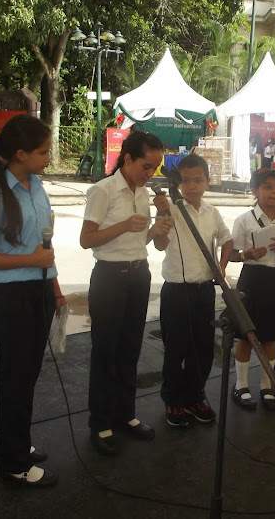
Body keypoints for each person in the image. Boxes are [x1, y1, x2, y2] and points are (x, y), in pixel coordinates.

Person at [0, 114, 65, 487]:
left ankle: (10, 446)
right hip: (12, 297)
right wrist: (32, 262)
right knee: (16, 380)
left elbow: (45, 243)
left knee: (26, 377)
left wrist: (54, 290)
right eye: (42, 152)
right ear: (20, 153)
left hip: (39, 290)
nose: (47, 158)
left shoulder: (37, 185)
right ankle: (15, 462)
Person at [80, 131, 174, 456]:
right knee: (105, 351)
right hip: (109, 277)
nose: (150, 173)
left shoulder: (145, 193)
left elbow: (141, 241)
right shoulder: (102, 190)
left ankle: (125, 415)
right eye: (146, 166)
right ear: (128, 158)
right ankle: (100, 423)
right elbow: (87, 239)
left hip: (139, 274)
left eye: (156, 167)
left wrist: (158, 223)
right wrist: (123, 226)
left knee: (130, 349)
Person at [152, 155, 233, 427]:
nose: (192, 186)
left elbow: (227, 239)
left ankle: (195, 396)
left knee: (203, 348)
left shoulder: (212, 213)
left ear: (208, 182)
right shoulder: (171, 209)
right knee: (176, 348)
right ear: (178, 183)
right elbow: (160, 245)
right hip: (177, 291)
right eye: (185, 180)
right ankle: (173, 401)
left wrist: (221, 267)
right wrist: (161, 217)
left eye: (198, 180)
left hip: (204, 291)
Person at [222, 168, 275, 410]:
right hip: (252, 280)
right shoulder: (244, 220)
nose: (273, 191)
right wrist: (247, 254)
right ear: (255, 191)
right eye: (266, 186)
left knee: (272, 336)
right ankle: (241, 386)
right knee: (246, 335)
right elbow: (232, 254)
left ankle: (267, 386)